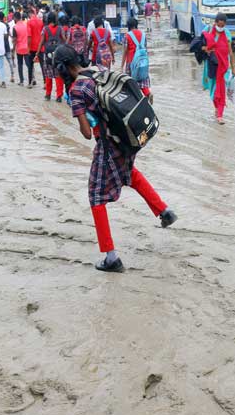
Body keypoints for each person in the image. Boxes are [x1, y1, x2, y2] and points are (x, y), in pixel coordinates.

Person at [58, 45, 177, 272]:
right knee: (130, 174)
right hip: (128, 139)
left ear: (63, 68)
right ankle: (164, 211)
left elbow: (85, 133)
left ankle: (111, 257)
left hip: (108, 145)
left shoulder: (77, 89)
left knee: (95, 197)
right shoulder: (98, 69)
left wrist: (78, 110)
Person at [201, 12, 235, 125]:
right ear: (215, 22)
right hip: (211, 66)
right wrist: (206, 49)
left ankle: (220, 116)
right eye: (219, 25)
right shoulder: (207, 30)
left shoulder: (227, 33)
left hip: (224, 67)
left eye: (223, 25)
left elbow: (230, 51)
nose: (221, 27)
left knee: (220, 90)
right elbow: (199, 46)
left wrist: (233, 67)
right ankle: (217, 108)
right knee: (213, 91)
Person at [121, 17, 152, 99]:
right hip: (143, 62)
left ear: (128, 26)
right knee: (142, 81)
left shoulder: (127, 36)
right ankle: (148, 94)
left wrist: (121, 66)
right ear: (136, 25)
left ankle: (136, 100)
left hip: (131, 63)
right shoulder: (143, 35)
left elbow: (124, 52)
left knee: (131, 83)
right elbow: (145, 48)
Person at [40, 12, 67, 101]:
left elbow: (41, 41)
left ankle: (48, 94)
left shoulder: (45, 29)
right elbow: (64, 40)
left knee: (48, 75)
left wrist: (37, 53)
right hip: (58, 55)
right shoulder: (60, 28)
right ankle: (59, 96)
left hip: (48, 56)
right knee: (58, 75)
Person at [12, 12, 33, 86]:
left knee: (20, 64)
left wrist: (13, 51)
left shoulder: (15, 27)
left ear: (15, 18)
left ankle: (21, 81)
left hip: (19, 49)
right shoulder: (26, 25)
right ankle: (32, 78)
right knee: (28, 64)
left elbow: (14, 41)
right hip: (27, 48)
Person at [27, 6, 43, 87]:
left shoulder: (29, 22)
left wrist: (28, 48)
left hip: (32, 47)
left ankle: (30, 83)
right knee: (43, 66)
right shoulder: (41, 21)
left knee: (30, 65)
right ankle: (45, 83)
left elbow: (29, 36)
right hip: (40, 46)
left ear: (29, 14)